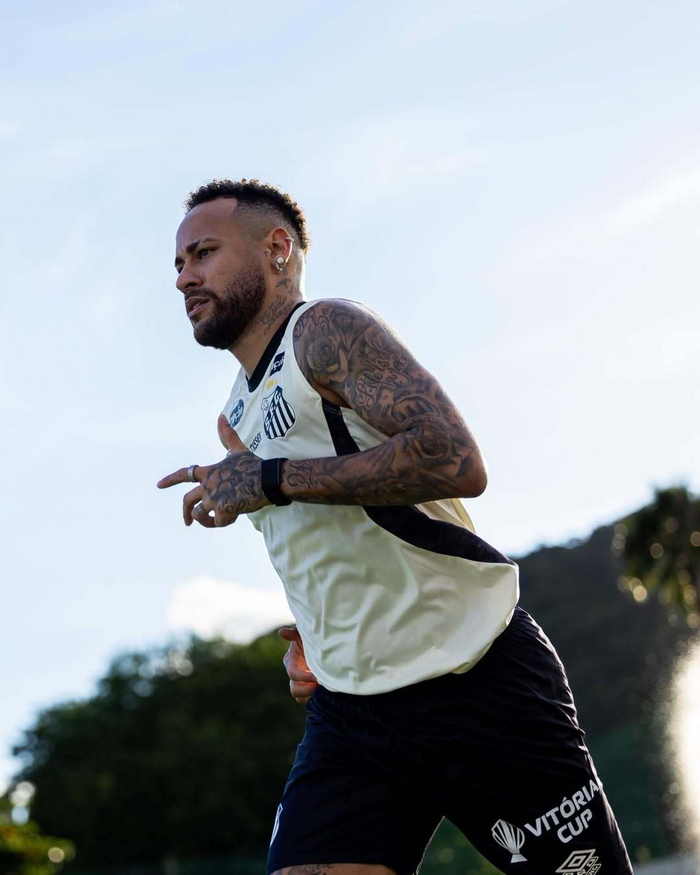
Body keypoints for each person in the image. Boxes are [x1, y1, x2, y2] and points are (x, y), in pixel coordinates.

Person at [158, 178, 633, 875]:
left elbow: (454, 457)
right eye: (178, 264)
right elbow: (326, 535)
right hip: (353, 713)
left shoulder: (325, 330)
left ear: (278, 248)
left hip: (473, 675)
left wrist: (268, 479)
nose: (184, 278)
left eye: (203, 254)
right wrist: (322, 632)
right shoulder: (237, 413)